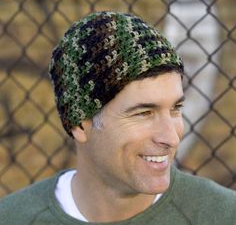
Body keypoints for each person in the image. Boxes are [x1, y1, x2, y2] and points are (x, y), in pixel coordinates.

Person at [0, 11, 236, 225]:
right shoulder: (13, 217)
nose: (171, 137)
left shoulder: (223, 215)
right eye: (144, 113)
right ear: (80, 124)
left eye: (176, 108)